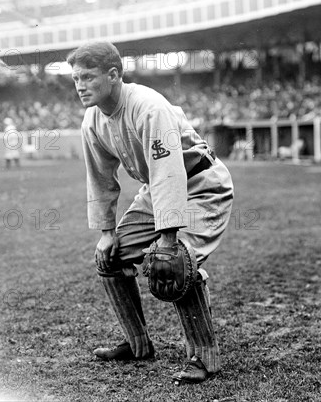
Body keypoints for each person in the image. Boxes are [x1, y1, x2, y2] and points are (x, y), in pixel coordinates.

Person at [67, 42, 234, 384]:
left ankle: (204, 357)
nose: (80, 85)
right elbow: (100, 179)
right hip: (156, 190)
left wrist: (169, 239)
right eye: (75, 78)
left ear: (114, 75)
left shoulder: (148, 107)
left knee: (174, 262)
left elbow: (169, 173)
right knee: (110, 258)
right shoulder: (93, 120)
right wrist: (106, 233)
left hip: (200, 184)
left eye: (88, 76)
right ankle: (137, 343)